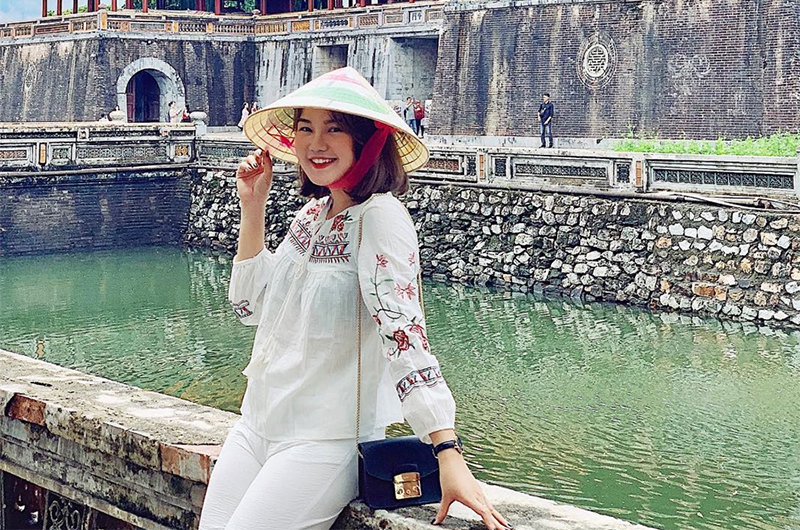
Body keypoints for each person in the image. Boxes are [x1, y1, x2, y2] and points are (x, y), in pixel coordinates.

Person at [198, 67, 510, 530]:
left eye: (334, 130)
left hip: (324, 439)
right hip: (257, 423)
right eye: (306, 129)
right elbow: (249, 307)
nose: (315, 144)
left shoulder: (380, 219)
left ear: (367, 142)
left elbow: (404, 334)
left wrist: (446, 450)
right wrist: (253, 205)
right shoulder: (311, 216)